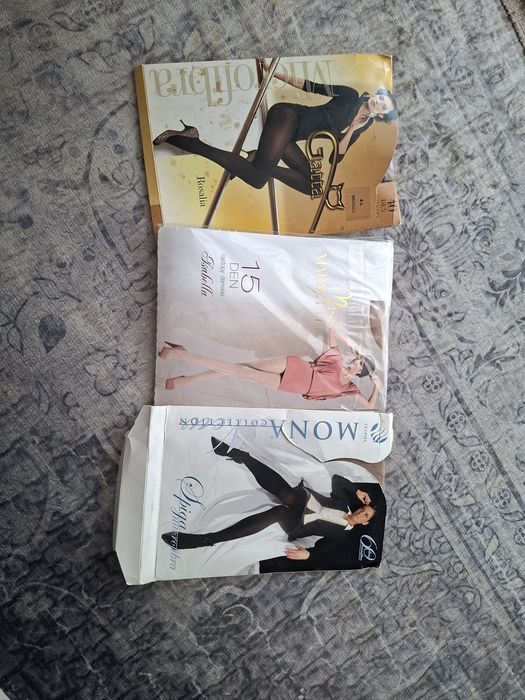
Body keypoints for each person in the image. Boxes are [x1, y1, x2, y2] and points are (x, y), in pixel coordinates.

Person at [152, 63, 398, 196]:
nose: (378, 102)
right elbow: (312, 86)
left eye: (383, 106)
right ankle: (191, 142)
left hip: (291, 137)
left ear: (381, 115)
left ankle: (255, 160)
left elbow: (336, 158)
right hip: (287, 117)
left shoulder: (362, 126)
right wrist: (274, 73)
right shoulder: (351, 95)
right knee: (258, 179)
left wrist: (352, 128)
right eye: (381, 97)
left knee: (313, 186)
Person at [161, 438, 386, 551]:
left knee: (278, 512)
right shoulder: (344, 502)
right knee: (288, 495)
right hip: (304, 498)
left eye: (365, 515)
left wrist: (307, 554)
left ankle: (207, 540)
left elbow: (321, 551)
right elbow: (336, 480)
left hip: (298, 523)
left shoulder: (341, 536)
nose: (361, 511)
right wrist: (357, 490)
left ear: (365, 523)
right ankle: (240, 455)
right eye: (363, 508)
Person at [158, 327, 381, 408]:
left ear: (360, 372)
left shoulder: (349, 389)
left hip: (291, 385)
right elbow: (332, 331)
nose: (355, 360)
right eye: (358, 357)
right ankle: (182, 362)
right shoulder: (337, 359)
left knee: (238, 371)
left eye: (360, 362)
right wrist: (353, 345)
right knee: (238, 368)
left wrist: (377, 387)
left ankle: (185, 367)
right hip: (295, 366)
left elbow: (370, 406)